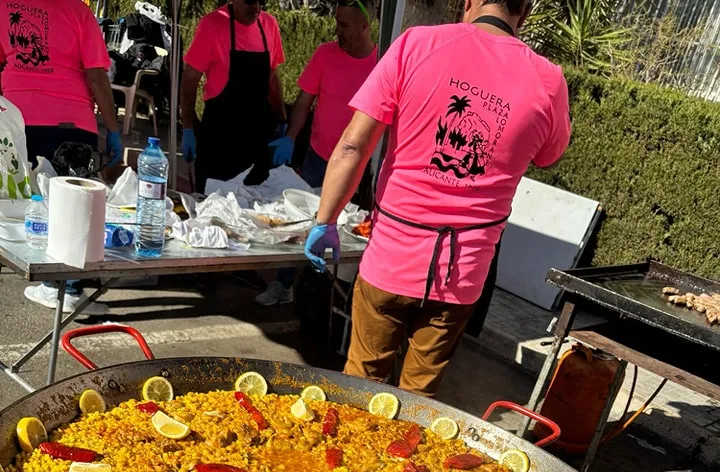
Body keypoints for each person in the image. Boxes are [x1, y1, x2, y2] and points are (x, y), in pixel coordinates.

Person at [305, 0, 571, 398]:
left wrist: (325, 220)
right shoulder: (549, 81)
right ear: (526, 11)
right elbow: (550, 155)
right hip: (462, 274)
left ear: (468, 2)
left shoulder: (416, 44)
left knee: (360, 386)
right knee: (420, 397)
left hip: (390, 260)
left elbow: (351, 148)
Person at [0, 0, 122, 315]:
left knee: (18, 203)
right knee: (72, 208)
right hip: (72, 125)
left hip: (17, 122)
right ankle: (66, 286)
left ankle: (46, 277)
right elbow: (97, 77)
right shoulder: (79, 12)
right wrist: (113, 128)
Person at [256, 0, 377, 308]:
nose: (338, 30)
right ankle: (284, 284)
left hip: (357, 167)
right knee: (297, 222)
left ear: (366, 27)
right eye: (337, 22)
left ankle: (332, 297)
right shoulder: (325, 54)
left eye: (345, 25)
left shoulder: (381, 62)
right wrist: (291, 138)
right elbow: (304, 101)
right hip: (318, 158)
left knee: (347, 231)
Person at [181, 0, 286, 193]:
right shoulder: (213, 25)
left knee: (257, 209)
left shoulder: (269, 24)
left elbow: (272, 77)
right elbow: (190, 78)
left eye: (261, 1)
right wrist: (188, 127)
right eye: (248, 2)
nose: (255, 7)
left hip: (257, 136)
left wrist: (281, 120)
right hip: (220, 138)